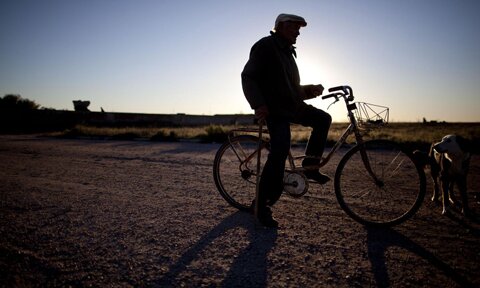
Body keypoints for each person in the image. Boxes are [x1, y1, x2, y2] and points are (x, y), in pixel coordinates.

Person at [241, 13, 332, 228]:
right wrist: (258, 104)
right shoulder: (266, 46)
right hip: (274, 110)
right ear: (281, 26)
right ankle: (261, 204)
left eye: (299, 28)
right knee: (280, 151)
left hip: (292, 107)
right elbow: (248, 76)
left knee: (323, 119)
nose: (298, 32)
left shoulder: (289, 53)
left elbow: (290, 89)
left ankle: (310, 166)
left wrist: (310, 90)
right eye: (294, 27)